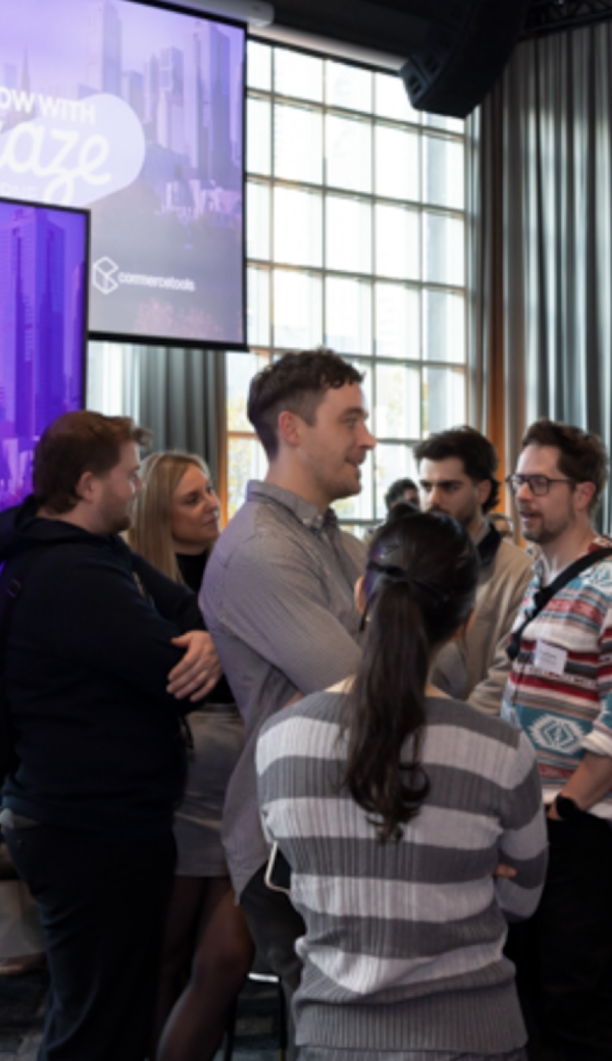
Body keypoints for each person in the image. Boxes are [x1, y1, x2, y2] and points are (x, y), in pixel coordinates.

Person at [257, 513, 548, 1061]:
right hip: (473, 1038)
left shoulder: (281, 740)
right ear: (465, 620)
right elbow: (519, 899)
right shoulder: (503, 750)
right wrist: (459, 873)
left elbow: (299, 884)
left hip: (332, 1038)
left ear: (364, 593)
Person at [0, 412, 224, 1060]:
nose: (137, 485)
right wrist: (203, 648)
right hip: (89, 827)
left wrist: (206, 637)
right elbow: (175, 669)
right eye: (129, 473)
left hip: (96, 820)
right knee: (98, 1027)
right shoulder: (74, 576)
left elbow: (187, 613)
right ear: (90, 485)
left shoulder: (93, 552)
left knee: (95, 1010)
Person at [202, 348, 375, 1005]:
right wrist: (374, 652)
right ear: (293, 428)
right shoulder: (260, 549)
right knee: (338, 1031)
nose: (368, 439)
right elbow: (362, 687)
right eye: (351, 420)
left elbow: (442, 661)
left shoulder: (342, 542)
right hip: (293, 837)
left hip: (349, 818)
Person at [498, 420, 612, 1061]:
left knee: (579, 1008)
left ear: (584, 493)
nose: (524, 496)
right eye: (520, 480)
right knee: (536, 999)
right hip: (535, 820)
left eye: (541, 483)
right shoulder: (542, 581)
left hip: (581, 827)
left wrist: (561, 810)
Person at [127, 452, 256, 1061]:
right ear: (158, 511)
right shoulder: (131, 586)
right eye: (193, 498)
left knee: (228, 958)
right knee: (165, 959)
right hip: (176, 794)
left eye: (210, 492)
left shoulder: (236, 571)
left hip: (244, 788)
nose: (212, 505)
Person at [411, 426, 533, 705]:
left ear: (482, 491)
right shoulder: (407, 563)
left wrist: (459, 731)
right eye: (426, 487)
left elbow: (506, 673)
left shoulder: (520, 572)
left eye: (449, 487)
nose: (433, 500)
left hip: (477, 734)